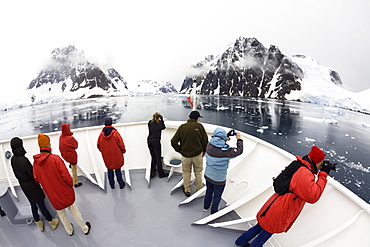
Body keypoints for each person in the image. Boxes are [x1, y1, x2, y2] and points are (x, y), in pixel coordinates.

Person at [235, 146, 331, 247]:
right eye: (322, 162)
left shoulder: (300, 165)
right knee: (264, 235)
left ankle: (240, 242)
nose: (322, 165)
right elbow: (313, 196)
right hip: (281, 210)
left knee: (259, 227)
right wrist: (323, 175)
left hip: (275, 204)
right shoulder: (305, 173)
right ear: (316, 162)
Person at [33, 134, 91, 236]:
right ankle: (84, 228)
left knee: (61, 214)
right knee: (74, 210)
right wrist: (70, 185)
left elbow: (37, 178)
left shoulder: (36, 163)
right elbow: (67, 177)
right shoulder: (55, 159)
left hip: (52, 194)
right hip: (63, 191)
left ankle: (69, 230)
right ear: (49, 145)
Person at [10, 137, 59, 232]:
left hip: (24, 186)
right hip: (33, 186)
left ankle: (39, 223)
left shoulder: (13, 159)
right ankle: (52, 222)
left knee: (33, 205)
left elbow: (16, 174)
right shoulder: (24, 160)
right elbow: (33, 175)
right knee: (41, 205)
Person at [203, 128, 243, 214]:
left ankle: (205, 207)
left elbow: (218, 144)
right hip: (219, 179)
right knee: (217, 195)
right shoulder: (226, 152)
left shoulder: (209, 146)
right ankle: (213, 212)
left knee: (209, 191)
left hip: (208, 175)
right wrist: (239, 139)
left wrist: (226, 136)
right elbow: (239, 151)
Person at [171, 111, 208, 197]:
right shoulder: (200, 126)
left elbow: (173, 141)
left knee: (186, 172)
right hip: (197, 155)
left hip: (185, 155)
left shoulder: (182, 127)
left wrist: (179, 150)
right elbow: (205, 141)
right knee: (198, 172)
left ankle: (187, 190)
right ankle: (199, 190)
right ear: (197, 118)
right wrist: (204, 150)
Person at [97, 117, 126, 189]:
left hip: (107, 155)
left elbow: (98, 145)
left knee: (109, 169)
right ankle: (121, 183)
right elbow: (121, 144)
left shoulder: (101, 135)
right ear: (111, 123)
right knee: (117, 168)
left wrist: (104, 152)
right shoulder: (115, 133)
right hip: (116, 154)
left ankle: (112, 185)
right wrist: (123, 151)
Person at [147, 112, 168, 178]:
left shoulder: (150, 122)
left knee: (153, 157)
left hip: (149, 140)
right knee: (158, 157)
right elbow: (163, 127)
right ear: (159, 117)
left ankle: (152, 172)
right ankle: (161, 173)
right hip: (156, 141)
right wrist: (162, 120)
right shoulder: (159, 123)